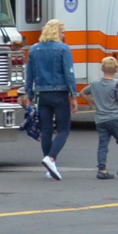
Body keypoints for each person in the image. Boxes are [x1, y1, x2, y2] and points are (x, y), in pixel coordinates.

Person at [26, 19, 75, 179]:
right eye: (63, 32)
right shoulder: (63, 49)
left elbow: (29, 75)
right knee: (63, 129)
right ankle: (51, 158)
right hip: (60, 93)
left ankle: (50, 168)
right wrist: (74, 94)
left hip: (42, 94)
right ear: (58, 32)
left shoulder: (34, 50)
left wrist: (30, 94)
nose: (64, 35)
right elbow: (69, 73)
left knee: (46, 129)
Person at [86, 55, 118, 179]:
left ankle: (102, 169)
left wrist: (95, 102)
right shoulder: (116, 86)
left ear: (102, 68)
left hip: (100, 119)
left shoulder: (95, 84)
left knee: (103, 144)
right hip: (114, 117)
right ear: (116, 70)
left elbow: (82, 93)